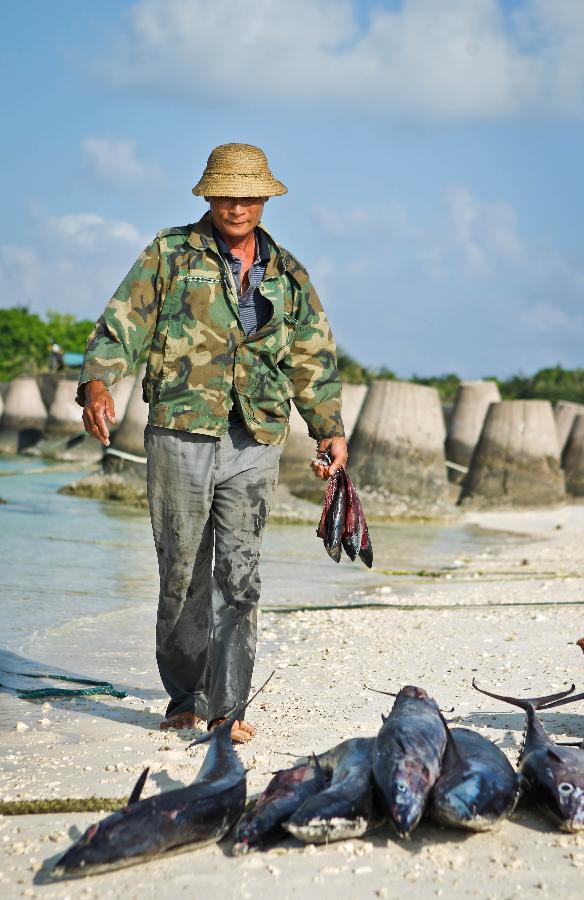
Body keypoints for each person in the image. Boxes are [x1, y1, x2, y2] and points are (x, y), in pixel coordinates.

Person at [78, 143, 348, 742]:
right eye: (228, 194)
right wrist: (99, 381)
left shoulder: (289, 272)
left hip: (258, 437)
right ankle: (184, 695)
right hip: (181, 431)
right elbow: (124, 320)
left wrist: (327, 429)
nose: (239, 206)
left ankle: (229, 709)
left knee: (240, 575)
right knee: (181, 571)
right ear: (209, 195)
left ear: (265, 200)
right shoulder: (171, 252)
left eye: (251, 195)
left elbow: (313, 357)